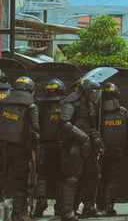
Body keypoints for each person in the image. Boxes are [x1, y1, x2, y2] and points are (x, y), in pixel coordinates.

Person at [59, 78, 104, 221]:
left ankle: (89, 207)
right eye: (92, 92)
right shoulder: (71, 102)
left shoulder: (89, 104)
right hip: (73, 147)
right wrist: (82, 136)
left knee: (94, 175)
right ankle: (67, 211)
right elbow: (64, 122)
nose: (95, 95)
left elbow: (92, 126)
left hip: (88, 148)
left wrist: (99, 143)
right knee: (72, 179)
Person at [0, 76, 39, 221]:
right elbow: (35, 131)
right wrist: (34, 153)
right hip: (22, 148)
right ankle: (17, 214)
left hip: (3, 145)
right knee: (20, 180)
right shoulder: (31, 106)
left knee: (1, 175)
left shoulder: (4, 102)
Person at [99, 82, 128, 216]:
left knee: (101, 177)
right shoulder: (123, 112)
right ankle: (108, 205)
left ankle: (99, 204)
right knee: (113, 178)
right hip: (118, 151)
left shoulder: (99, 112)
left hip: (101, 151)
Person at [34, 79, 65, 217]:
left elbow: (37, 126)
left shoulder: (41, 106)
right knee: (60, 176)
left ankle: (41, 200)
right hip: (61, 146)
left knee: (43, 175)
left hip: (45, 146)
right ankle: (60, 206)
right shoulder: (65, 105)